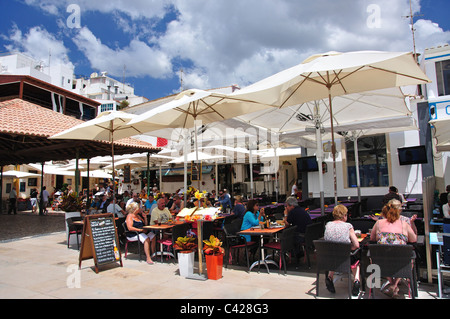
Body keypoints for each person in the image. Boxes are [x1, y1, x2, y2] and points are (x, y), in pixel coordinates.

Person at [370, 200, 417, 297]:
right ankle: (395, 285)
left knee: (374, 257)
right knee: (408, 258)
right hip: (402, 264)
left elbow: (372, 238)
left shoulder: (378, 223)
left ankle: (391, 284)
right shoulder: (404, 224)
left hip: (381, 264)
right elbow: (413, 239)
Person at [323, 204, 361, 296]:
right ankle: (356, 280)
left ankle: (329, 277)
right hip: (345, 259)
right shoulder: (348, 226)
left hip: (330, 259)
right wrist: (349, 247)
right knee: (356, 260)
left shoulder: (328, 225)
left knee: (335, 254)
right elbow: (356, 245)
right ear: (344, 216)